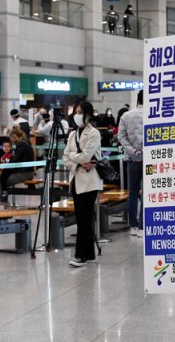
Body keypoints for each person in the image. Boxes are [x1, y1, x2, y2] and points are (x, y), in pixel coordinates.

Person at [62, 101, 103, 267]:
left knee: (84, 219)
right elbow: (64, 157)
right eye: (75, 112)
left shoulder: (94, 133)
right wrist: (76, 161)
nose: (77, 115)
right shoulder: (72, 135)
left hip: (90, 182)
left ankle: (80, 256)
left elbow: (87, 157)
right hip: (76, 180)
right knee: (81, 218)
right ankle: (90, 254)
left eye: (80, 112)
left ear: (87, 114)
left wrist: (75, 157)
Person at [118, 90, 144, 237]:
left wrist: (133, 151)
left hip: (132, 159)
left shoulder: (126, 115)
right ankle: (143, 226)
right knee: (147, 193)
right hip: (149, 160)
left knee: (133, 193)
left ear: (137, 100)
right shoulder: (153, 116)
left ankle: (133, 225)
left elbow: (120, 136)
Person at [0, 127, 35, 210]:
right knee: (3, 177)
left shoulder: (22, 144)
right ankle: (4, 202)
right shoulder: (24, 143)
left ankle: (1, 203)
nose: (11, 140)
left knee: (1, 180)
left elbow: (15, 159)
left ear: (14, 136)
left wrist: (4, 170)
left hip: (26, 173)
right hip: (25, 171)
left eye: (11, 138)